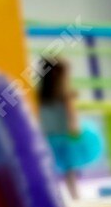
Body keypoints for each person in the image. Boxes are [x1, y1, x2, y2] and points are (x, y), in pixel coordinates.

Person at [36, 58, 100, 199]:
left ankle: (58, 197)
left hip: (50, 137)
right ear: (60, 76)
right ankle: (75, 197)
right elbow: (72, 117)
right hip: (65, 137)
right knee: (69, 170)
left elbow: (38, 116)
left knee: (51, 169)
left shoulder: (40, 96)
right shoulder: (65, 96)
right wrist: (75, 131)